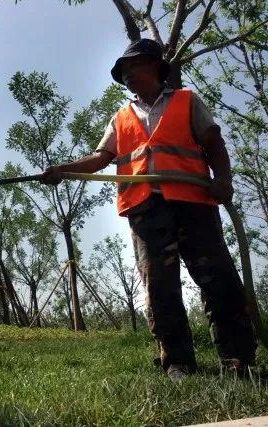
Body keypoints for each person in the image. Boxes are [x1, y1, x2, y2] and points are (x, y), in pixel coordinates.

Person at [41, 38, 256, 381]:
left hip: (194, 203)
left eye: (132, 66)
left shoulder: (187, 101)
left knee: (218, 279)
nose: (126, 75)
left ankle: (237, 359)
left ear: (155, 65)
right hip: (146, 210)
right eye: (122, 71)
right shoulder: (121, 117)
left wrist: (224, 179)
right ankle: (177, 362)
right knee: (159, 287)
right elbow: (101, 158)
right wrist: (62, 169)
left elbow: (214, 141)